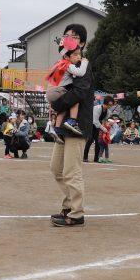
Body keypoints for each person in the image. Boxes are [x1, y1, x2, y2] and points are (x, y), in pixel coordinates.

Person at [48, 24, 94, 227]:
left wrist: (57, 103)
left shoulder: (83, 64)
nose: (69, 38)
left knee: (71, 171)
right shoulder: (65, 61)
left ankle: (76, 213)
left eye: (74, 36)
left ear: (82, 42)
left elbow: (79, 92)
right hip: (63, 124)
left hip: (78, 124)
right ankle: (69, 204)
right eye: (66, 35)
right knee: (56, 168)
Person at [45, 43, 88, 137]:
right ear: (66, 57)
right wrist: (85, 62)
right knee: (75, 99)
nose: (79, 57)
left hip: (49, 93)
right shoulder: (67, 64)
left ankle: (56, 129)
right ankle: (72, 121)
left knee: (64, 107)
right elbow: (80, 72)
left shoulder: (59, 63)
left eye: (79, 54)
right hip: (57, 91)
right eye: (75, 54)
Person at [85, 96, 113, 163]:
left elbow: (104, 120)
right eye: (109, 104)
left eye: (111, 104)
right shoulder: (97, 108)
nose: (110, 106)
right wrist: (103, 128)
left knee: (98, 142)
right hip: (90, 124)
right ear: (105, 103)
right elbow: (95, 121)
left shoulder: (108, 112)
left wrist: (106, 127)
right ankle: (85, 157)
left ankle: (96, 158)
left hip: (98, 126)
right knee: (90, 140)